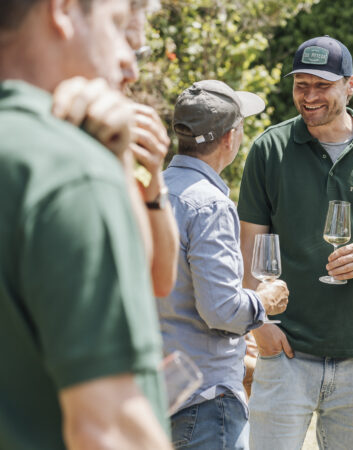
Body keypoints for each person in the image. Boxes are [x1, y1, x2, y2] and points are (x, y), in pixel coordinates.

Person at [237, 35, 353, 449]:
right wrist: (260, 327)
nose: (309, 97)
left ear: (350, 85)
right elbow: (248, 250)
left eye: (321, 85)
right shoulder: (269, 148)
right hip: (284, 351)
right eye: (301, 85)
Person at [0, 0, 171, 448]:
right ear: (61, 9)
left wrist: (115, 161)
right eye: (116, 27)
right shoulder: (66, 171)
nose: (128, 64)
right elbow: (106, 429)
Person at [160, 80, 290, 450]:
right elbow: (221, 310)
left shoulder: (150, 192)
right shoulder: (210, 205)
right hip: (203, 400)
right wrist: (262, 302)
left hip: (158, 391)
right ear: (231, 138)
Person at [51, 0, 179, 297]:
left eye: (138, 54)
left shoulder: (121, 133)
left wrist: (153, 177)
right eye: (124, 41)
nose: (132, 71)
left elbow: (160, 281)